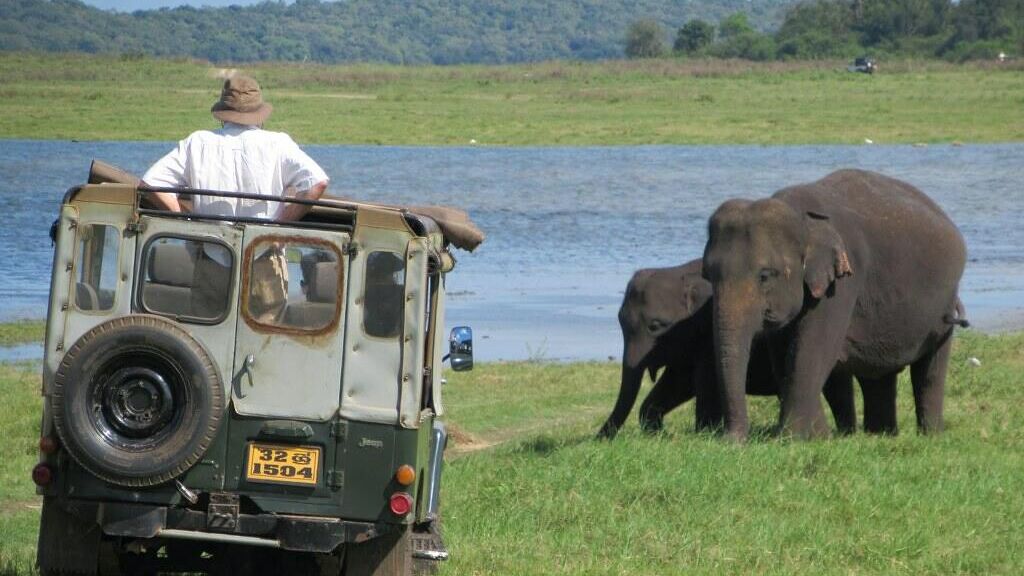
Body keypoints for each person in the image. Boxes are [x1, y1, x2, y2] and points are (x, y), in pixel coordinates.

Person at [142, 75, 330, 321]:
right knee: (264, 335)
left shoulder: (197, 143)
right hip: (263, 256)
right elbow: (318, 182)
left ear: (222, 113)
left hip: (212, 257)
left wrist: (186, 220)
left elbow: (150, 183)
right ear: (260, 115)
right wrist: (278, 227)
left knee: (209, 335)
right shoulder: (277, 144)